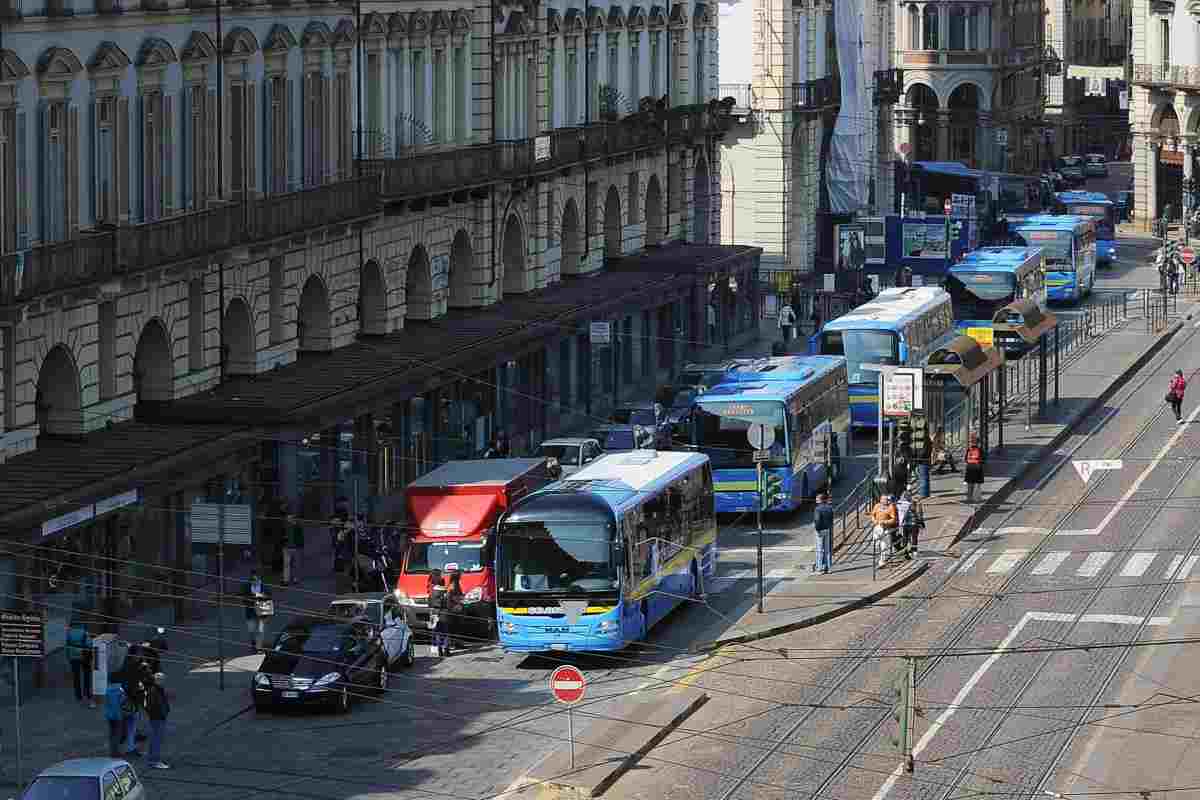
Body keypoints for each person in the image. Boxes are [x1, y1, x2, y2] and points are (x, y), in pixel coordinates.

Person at [65, 617, 94, 708]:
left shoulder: (69, 633)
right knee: (86, 676)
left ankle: (78, 696)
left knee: (76, 677)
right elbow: (89, 644)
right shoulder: (85, 633)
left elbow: (67, 645)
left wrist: (68, 657)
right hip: (84, 657)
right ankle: (87, 694)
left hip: (73, 657)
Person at [145, 672, 171, 769]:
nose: (163, 681)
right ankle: (154, 761)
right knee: (156, 739)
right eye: (161, 679)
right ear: (157, 680)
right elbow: (151, 706)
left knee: (155, 739)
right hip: (157, 718)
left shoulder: (157, 690)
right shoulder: (154, 691)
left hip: (158, 717)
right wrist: (159, 714)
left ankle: (153, 759)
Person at [243, 570, 270, 652]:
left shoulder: (264, 587)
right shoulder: (246, 586)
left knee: (260, 630)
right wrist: (251, 600)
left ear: (259, 579)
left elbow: (269, 598)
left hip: (261, 612)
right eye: (252, 580)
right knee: (252, 630)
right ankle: (253, 643)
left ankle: (259, 647)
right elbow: (243, 599)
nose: (254, 581)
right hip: (250, 612)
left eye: (256, 579)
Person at [871, 495, 899, 567]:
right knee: (876, 544)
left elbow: (894, 519)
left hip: (886, 529)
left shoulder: (891, 507)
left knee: (884, 545)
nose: (886, 501)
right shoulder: (877, 506)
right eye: (884, 499)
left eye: (887, 500)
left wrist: (885, 522)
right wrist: (874, 520)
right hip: (877, 527)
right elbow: (872, 515)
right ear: (880, 500)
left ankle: (882, 561)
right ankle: (878, 557)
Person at [104, 680, 130, 757]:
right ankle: (115, 751)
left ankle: (113, 750)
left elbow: (107, 702)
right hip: (118, 715)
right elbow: (123, 702)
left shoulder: (108, 690)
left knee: (112, 734)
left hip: (109, 715)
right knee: (117, 734)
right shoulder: (121, 691)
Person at [427, 569, 449, 656]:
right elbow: (447, 603)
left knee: (437, 631)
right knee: (445, 632)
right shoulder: (444, 591)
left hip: (434, 613)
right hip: (444, 612)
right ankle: (446, 650)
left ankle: (439, 649)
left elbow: (429, 602)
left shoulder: (432, 591)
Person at [812, 493, 834, 574]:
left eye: (817, 498)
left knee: (819, 550)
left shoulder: (818, 509)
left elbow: (817, 520)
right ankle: (828, 568)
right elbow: (831, 519)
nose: (816, 500)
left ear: (821, 500)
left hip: (820, 530)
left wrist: (817, 529)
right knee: (827, 550)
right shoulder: (829, 508)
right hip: (827, 529)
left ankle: (819, 568)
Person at [900, 489, 925, 558]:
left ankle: (906, 552)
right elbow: (920, 515)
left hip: (906, 524)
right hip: (914, 524)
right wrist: (922, 523)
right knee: (914, 538)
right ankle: (914, 551)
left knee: (906, 538)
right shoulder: (916, 504)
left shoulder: (902, 504)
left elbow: (901, 514)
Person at [283, 508, 304, 585]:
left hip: (296, 548)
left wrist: (300, 546)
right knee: (286, 565)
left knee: (296, 565)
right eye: (288, 518)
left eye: (290, 518)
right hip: (287, 547)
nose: (289, 520)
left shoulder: (298, 526)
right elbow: (282, 536)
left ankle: (295, 578)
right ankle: (286, 580)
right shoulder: (285, 526)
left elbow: (301, 537)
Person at [445, 572, 466, 651]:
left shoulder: (454, 584)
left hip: (455, 609)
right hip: (453, 610)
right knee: (454, 628)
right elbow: (453, 598)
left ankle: (457, 643)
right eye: (460, 575)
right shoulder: (453, 586)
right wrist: (461, 599)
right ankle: (453, 644)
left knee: (457, 627)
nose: (461, 577)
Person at [964, 434, 985, 503]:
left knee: (970, 484)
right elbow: (983, 459)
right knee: (977, 484)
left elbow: (965, 459)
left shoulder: (969, 449)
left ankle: (969, 498)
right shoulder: (980, 450)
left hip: (969, 468)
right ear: (978, 442)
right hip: (977, 468)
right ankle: (977, 498)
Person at [915, 430, 932, 498]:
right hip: (925, 460)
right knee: (924, 478)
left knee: (923, 478)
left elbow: (923, 452)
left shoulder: (925, 441)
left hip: (923, 461)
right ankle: (924, 493)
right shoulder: (927, 440)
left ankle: (923, 494)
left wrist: (917, 457)